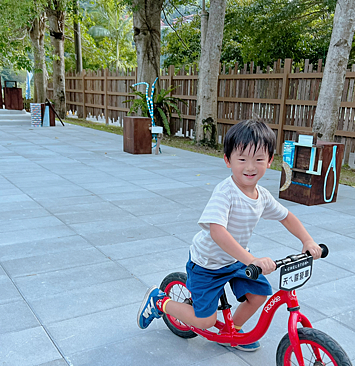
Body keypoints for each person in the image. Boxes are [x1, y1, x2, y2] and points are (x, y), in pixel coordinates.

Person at [137, 119, 322, 351]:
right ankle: (159, 301)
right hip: (208, 263)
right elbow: (217, 231)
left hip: (235, 260)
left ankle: (231, 331)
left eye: (259, 159)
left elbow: (286, 216)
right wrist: (251, 259)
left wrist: (307, 240)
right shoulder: (225, 193)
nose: (250, 167)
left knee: (258, 295)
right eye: (242, 159)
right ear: (228, 160)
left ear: (270, 161)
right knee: (204, 320)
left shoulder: (261, 195)